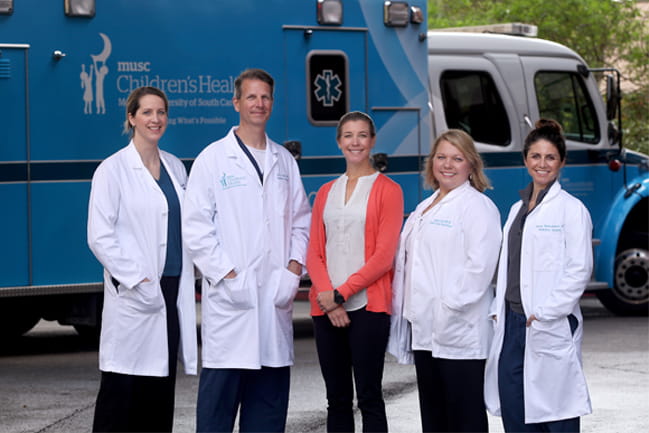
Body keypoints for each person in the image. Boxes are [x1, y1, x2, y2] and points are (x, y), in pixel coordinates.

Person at [182, 68, 311, 433]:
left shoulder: (284, 161)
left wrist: (291, 270)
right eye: (251, 97)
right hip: (231, 306)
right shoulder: (213, 159)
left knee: (268, 415)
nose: (259, 104)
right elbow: (195, 227)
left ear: (272, 103)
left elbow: (302, 221)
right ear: (236, 102)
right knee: (216, 415)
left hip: (274, 301)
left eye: (265, 97)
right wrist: (228, 275)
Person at [87, 86, 198, 433]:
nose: (156, 119)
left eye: (161, 112)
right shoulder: (112, 170)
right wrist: (136, 278)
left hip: (172, 290)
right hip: (136, 291)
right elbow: (99, 236)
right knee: (122, 388)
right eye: (147, 112)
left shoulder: (176, 168)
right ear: (131, 118)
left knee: (160, 389)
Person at [388, 129, 502, 432]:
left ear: (471, 165)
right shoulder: (426, 206)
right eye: (441, 157)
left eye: (457, 158)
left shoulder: (478, 207)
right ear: (431, 163)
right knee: (434, 417)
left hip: (459, 333)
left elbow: (479, 269)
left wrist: (446, 307)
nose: (447, 165)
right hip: (425, 331)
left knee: (464, 419)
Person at [484, 119, 593, 432]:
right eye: (535, 156)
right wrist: (497, 309)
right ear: (525, 159)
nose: (542, 164)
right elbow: (508, 264)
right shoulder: (516, 209)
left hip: (546, 321)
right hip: (511, 323)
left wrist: (547, 313)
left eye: (550, 157)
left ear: (561, 162)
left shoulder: (572, 210)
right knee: (515, 413)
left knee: (556, 415)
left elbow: (579, 269)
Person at [307, 111, 404, 432]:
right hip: (326, 309)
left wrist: (340, 294)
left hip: (368, 309)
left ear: (373, 141)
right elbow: (314, 251)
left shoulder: (389, 190)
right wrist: (327, 299)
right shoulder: (324, 192)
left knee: (369, 397)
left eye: (362, 135)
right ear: (339, 142)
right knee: (336, 399)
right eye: (348, 135)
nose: (355, 142)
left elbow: (384, 257)